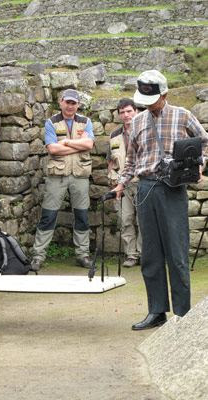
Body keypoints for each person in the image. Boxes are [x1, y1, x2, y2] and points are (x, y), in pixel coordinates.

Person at [113, 70, 208, 330]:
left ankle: (183, 314)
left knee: (177, 254)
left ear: (164, 94)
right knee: (151, 255)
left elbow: (205, 143)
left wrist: (200, 165)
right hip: (145, 190)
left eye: (153, 98)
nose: (147, 104)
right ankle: (156, 311)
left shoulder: (183, 115)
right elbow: (131, 159)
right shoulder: (137, 122)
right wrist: (121, 183)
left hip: (172, 189)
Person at [31, 89, 94, 271]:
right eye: (67, 102)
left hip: (80, 175)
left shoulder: (86, 122)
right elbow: (52, 149)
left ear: (78, 105)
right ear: (60, 102)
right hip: (56, 176)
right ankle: (38, 255)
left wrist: (66, 143)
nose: (70, 106)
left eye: (73, 103)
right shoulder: (51, 122)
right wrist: (77, 145)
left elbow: (89, 144)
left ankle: (83, 254)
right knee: (48, 216)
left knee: (82, 216)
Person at [107, 98, 141, 268]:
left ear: (136, 111)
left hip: (143, 182)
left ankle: (145, 254)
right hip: (122, 185)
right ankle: (131, 255)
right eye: (122, 112)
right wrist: (113, 183)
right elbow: (111, 161)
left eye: (129, 111)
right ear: (119, 115)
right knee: (125, 219)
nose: (126, 115)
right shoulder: (114, 135)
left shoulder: (145, 129)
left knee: (144, 221)